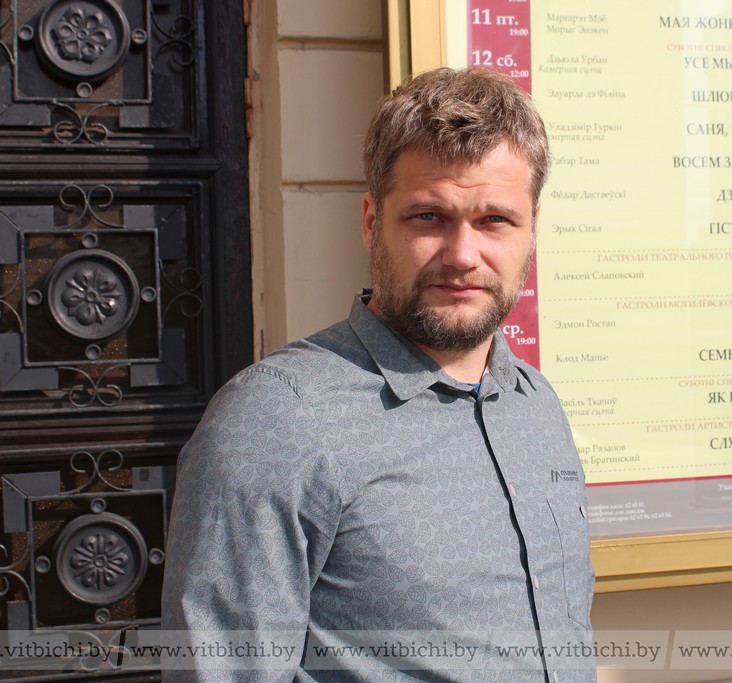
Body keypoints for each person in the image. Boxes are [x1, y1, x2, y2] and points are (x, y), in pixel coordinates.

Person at [162, 67, 595, 682]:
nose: (463, 255)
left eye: (495, 220)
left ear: (531, 229)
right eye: (429, 217)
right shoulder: (276, 419)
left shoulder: (535, 403)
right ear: (371, 222)